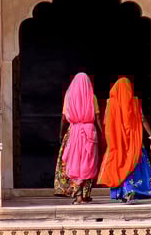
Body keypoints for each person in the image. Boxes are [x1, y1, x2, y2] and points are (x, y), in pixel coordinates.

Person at [98, 76, 151, 204]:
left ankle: (122, 192)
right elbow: (142, 119)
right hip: (134, 141)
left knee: (120, 163)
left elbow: (106, 123)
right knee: (134, 164)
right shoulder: (135, 102)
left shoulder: (111, 103)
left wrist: (111, 139)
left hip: (118, 141)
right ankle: (130, 191)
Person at [53, 72, 103, 204]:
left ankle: (78, 195)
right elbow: (97, 117)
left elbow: (64, 118)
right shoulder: (92, 97)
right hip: (89, 132)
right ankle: (85, 195)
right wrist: (102, 132)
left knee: (74, 162)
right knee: (87, 163)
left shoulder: (69, 97)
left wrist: (60, 133)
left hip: (73, 132)